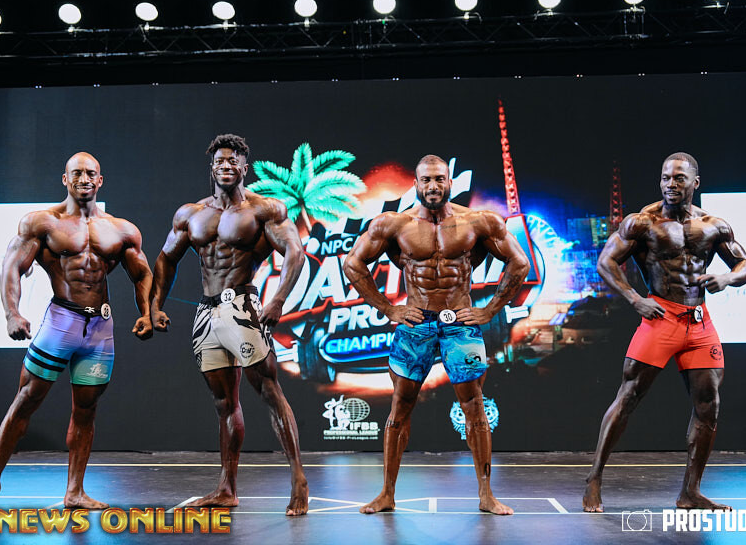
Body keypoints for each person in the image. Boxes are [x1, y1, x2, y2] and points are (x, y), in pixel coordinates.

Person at [343, 154, 530, 515]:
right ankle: (386, 494)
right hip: (416, 325)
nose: (433, 186)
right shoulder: (394, 224)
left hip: (460, 324)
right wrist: (389, 309)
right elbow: (353, 263)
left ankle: (486, 495)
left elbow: (519, 262)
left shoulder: (478, 221)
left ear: (449, 182)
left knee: (474, 405)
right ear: (415, 184)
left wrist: (489, 310)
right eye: (426, 180)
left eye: (439, 179)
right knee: (400, 406)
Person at [0, 152, 153, 512]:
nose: (84, 179)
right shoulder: (42, 223)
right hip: (61, 322)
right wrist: (12, 313)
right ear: (65, 179)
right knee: (26, 400)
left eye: (91, 173)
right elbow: (11, 267)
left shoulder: (122, 229)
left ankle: (75, 491)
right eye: (77, 173)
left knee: (86, 410)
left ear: (100, 180)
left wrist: (148, 313)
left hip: (100, 329)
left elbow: (142, 273)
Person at [583, 152, 746, 513]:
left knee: (709, 405)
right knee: (629, 395)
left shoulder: (713, 225)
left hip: (699, 321)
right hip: (661, 317)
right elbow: (606, 261)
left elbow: (745, 264)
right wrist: (635, 299)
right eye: (665, 178)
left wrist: (726, 278)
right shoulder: (643, 222)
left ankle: (690, 492)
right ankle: (594, 479)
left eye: (678, 178)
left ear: (695, 183)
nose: (670, 185)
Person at [149, 134, 309, 516]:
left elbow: (295, 252)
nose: (226, 166)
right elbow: (166, 258)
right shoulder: (190, 214)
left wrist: (278, 300)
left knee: (268, 390)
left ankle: (299, 480)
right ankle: (226, 488)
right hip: (206, 314)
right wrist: (154, 306)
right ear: (212, 167)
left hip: (242, 308)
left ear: (244, 167)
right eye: (220, 161)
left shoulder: (264, 210)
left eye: (233, 161)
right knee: (224, 403)